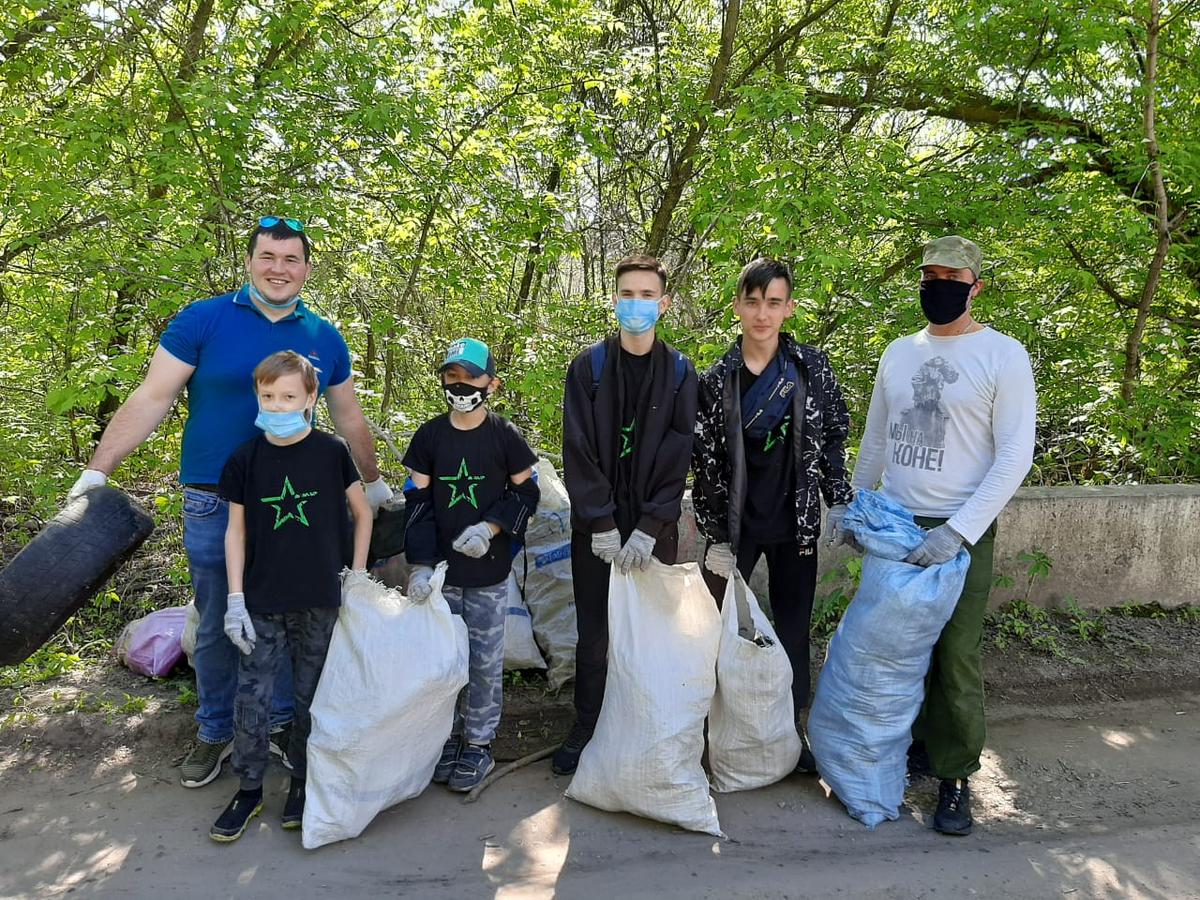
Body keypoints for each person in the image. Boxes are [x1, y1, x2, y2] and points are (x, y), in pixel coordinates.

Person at [67, 217, 392, 789]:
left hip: (302, 503)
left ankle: (284, 726)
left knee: (295, 616)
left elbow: (348, 415)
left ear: (307, 268)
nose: (279, 269)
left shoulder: (323, 335)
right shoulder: (203, 320)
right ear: (250, 261)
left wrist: (371, 481)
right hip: (217, 499)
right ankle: (216, 729)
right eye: (268, 256)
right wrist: (98, 471)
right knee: (220, 617)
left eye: (292, 259)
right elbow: (153, 396)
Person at [843, 235, 1036, 836]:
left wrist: (958, 532)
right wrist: (855, 505)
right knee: (893, 649)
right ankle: (914, 747)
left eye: (951, 277)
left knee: (954, 655)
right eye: (929, 275)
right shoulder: (899, 353)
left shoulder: (1003, 355)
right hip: (895, 526)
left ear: (976, 285)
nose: (937, 286)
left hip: (961, 530)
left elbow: (1015, 456)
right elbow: (876, 439)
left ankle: (955, 778)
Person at [691, 257, 854, 774]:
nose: (763, 314)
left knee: (793, 629)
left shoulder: (811, 367)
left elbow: (833, 435)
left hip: (797, 524)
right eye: (753, 302)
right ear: (738, 306)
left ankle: (792, 732)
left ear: (789, 308)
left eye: (774, 303)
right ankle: (706, 730)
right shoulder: (717, 379)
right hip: (735, 528)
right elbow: (706, 457)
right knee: (714, 628)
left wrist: (841, 499)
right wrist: (714, 531)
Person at [209, 350, 372, 841]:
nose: (277, 405)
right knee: (252, 698)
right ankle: (250, 788)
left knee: (311, 696)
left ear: (309, 398)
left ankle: (303, 782)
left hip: (320, 596)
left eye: (288, 397)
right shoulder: (245, 458)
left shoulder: (331, 452)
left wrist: (357, 577)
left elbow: (362, 514)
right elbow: (234, 532)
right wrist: (235, 599)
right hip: (260, 600)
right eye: (267, 396)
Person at [553, 253, 698, 776]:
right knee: (594, 635)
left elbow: (678, 454)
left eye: (646, 295)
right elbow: (578, 448)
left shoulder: (681, 373)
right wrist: (601, 522)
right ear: (613, 300)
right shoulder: (588, 366)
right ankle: (586, 728)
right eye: (626, 294)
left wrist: (648, 527)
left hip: (650, 530)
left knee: (648, 634)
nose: (636, 305)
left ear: (664, 303)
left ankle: (643, 728)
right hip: (597, 531)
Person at [402, 338, 540, 791]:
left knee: (482, 662)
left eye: (471, 377)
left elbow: (526, 493)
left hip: (488, 573)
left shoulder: (505, 436)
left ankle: (478, 744)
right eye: (451, 376)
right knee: (443, 663)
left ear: (492, 384)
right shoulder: (429, 437)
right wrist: (420, 566)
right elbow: (418, 503)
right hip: (441, 579)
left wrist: (491, 529)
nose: (460, 386)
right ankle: (445, 739)